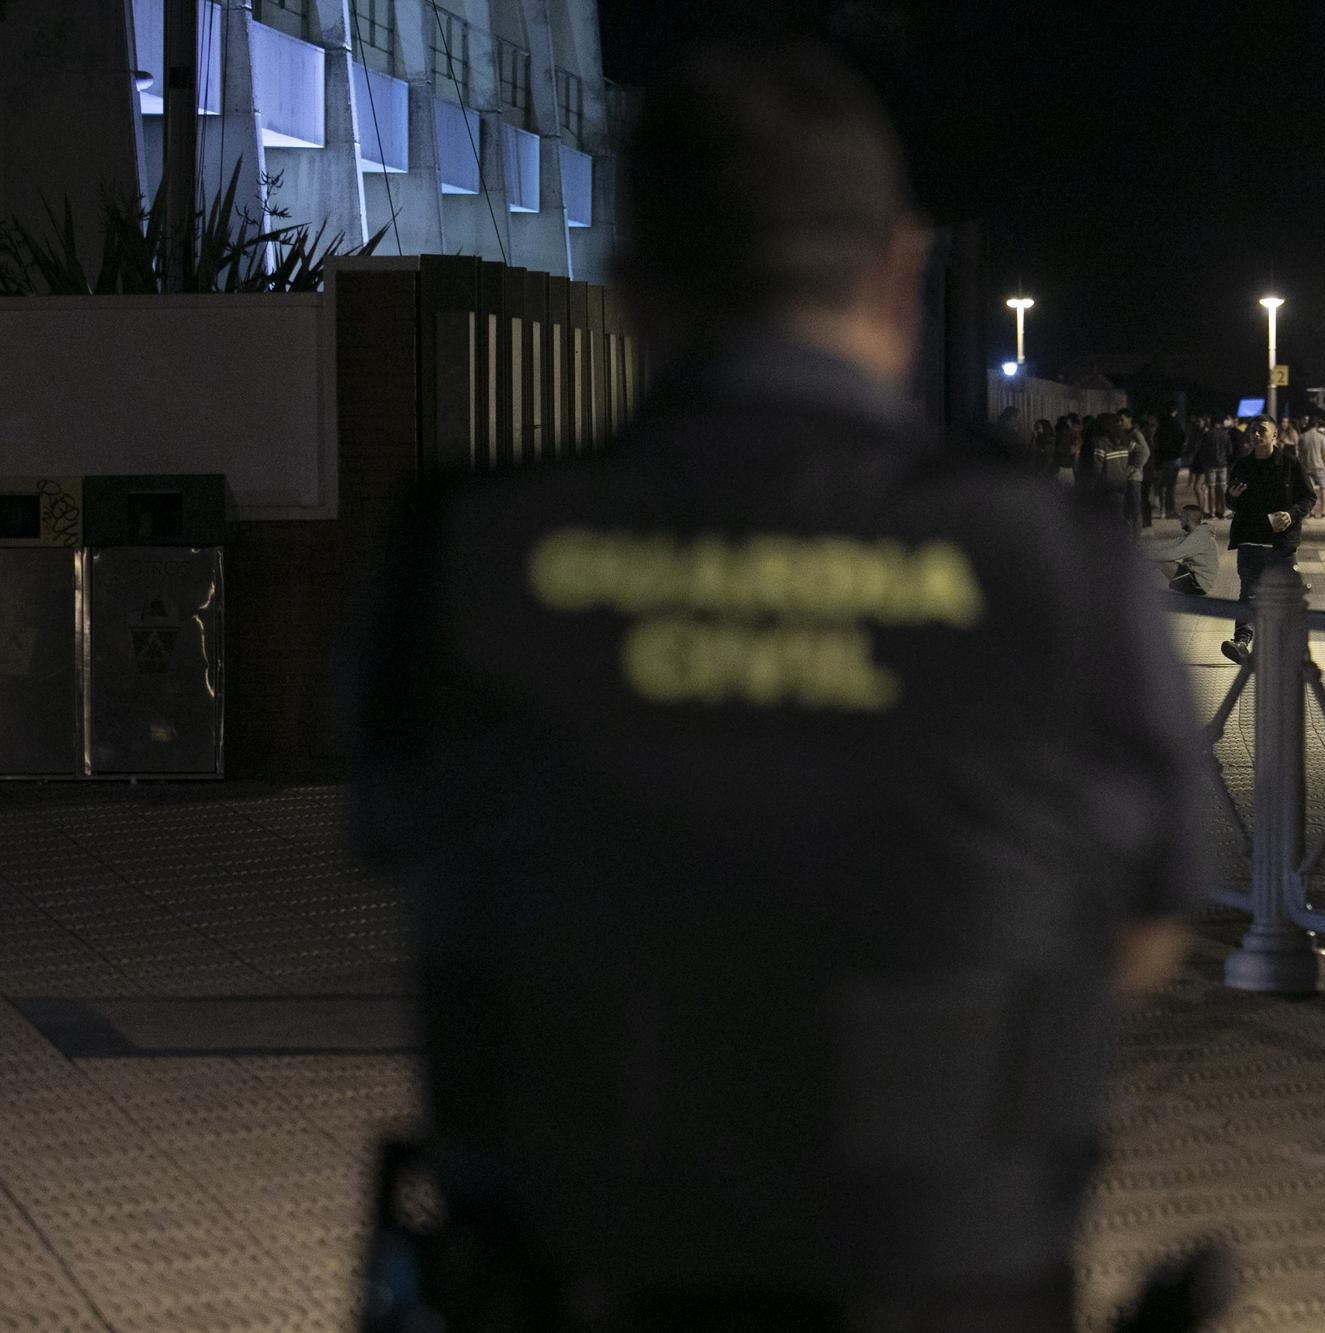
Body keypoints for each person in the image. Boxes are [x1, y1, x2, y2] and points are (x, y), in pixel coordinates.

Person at [349, 40, 1213, 1333]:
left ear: (631, 293)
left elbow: (421, 861)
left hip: (567, 1293)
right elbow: (1140, 936)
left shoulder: (464, 551)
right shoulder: (1062, 564)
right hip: (952, 1298)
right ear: (900, 275)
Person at [1220, 417, 1314, 664]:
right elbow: (1231, 502)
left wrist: (1291, 515)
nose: (1256, 435)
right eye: (1253, 431)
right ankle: (1241, 642)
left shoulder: (1290, 464)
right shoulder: (1242, 465)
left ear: (1275, 436)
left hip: (1281, 543)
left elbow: (1308, 498)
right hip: (1250, 540)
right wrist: (1231, 496)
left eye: (1262, 431)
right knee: (1249, 594)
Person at [1144, 504, 1222, 594]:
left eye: (1181, 517)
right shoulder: (1193, 534)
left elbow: (1171, 554)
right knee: (1155, 559)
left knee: (1161, 561)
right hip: (1194, 576)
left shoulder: (1200, 537)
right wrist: (1145, 549)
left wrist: (1147, 555)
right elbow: (1169, 544)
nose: (1180, 520)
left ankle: (1136, 585)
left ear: (1188, 519)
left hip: (1199, 584)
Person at [1154, 406, 1187, 520]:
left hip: (1163, 458)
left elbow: (1156, 441)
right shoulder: (1177, 425)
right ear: (1175, 411)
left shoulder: (1161, 425)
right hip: (1174, 458)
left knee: (1162, 484)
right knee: (1171, 485)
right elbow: (1182, 439)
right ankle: (1170, 510)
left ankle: (1162, 510)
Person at [1298, 414, 1325, 518]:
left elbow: (1300, 453)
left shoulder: (1303, 437)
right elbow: (1324, 454)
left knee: (1310, 492)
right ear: (1317, 425)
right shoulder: (1321, 437)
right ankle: (1324, 511)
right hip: (1319, 466)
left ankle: (1311, 512)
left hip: (1307, 466)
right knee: (1324, 489)